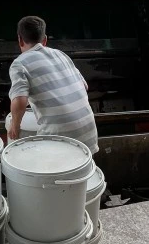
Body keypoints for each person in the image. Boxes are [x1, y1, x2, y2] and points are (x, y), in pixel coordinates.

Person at [8, 15, 98, 153]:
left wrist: (15, 126)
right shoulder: (61, 54)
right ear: (44, 40)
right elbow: (84, 86)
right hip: (88, 138)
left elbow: (20, 100)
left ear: (20, 40)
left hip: (60, 143)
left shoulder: (19, 63)